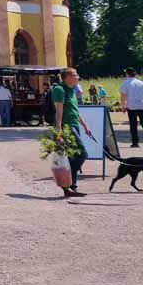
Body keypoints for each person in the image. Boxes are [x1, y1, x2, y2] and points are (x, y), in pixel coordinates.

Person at [52, 68, 94, 197]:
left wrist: (85, 126)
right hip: (66, 127)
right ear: (67, 77)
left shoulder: (72, 90)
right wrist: (58, 130)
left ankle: (71, 188)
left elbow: (75, 110)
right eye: (75, 75)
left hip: (74, 125)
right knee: (82, 154)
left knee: (73, 156)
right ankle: (66, 183)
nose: (78, 77)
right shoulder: (59, 89)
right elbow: (58, 111)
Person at [121, 68, 143, 148]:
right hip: (141, 105)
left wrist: (123, 106)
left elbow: (123, 95)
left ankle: (135, 143)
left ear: (127, 74)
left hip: (131, 106)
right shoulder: (141, 83)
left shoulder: (125, 83)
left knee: (133, 125)